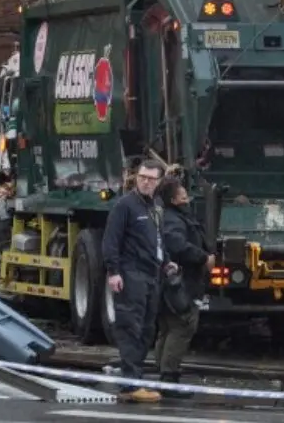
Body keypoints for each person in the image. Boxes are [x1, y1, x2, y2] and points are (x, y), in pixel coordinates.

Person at [102, 159, 172, 403]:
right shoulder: (125, 206)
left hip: (152, 274)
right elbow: (111, 240)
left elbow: (158, 239)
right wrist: (114, 271)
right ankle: (130, 384)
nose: (145, 182)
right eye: (142, 177)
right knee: (130, 327)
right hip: (132, 273)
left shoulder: (157, 206)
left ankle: (136, 379)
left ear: (159, 182)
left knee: (147, 329)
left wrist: (167, 262)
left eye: (151, 179)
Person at [152, 177, 215, 397]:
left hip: (172, 284)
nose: (187, 197)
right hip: (180, 285)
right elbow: (178, 245)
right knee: (182, 326)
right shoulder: (174, 220)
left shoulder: (171, 216)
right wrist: (203, 257)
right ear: (173, 199)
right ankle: (169, 378)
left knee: (168, 329)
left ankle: (164, 374)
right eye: (182, 194)